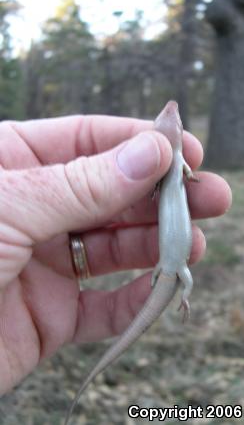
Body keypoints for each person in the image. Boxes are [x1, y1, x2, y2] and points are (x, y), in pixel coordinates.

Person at [0, 114, 232, 395]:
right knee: (182, 273)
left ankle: (180, 297)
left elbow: (188, 175)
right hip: (171, 263)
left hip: (169, 264)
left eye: (175, 121)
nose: (171, 116)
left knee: (184, 276)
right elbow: (188, 177)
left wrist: (184, 295)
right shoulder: (177, 160)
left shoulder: (178, 156)